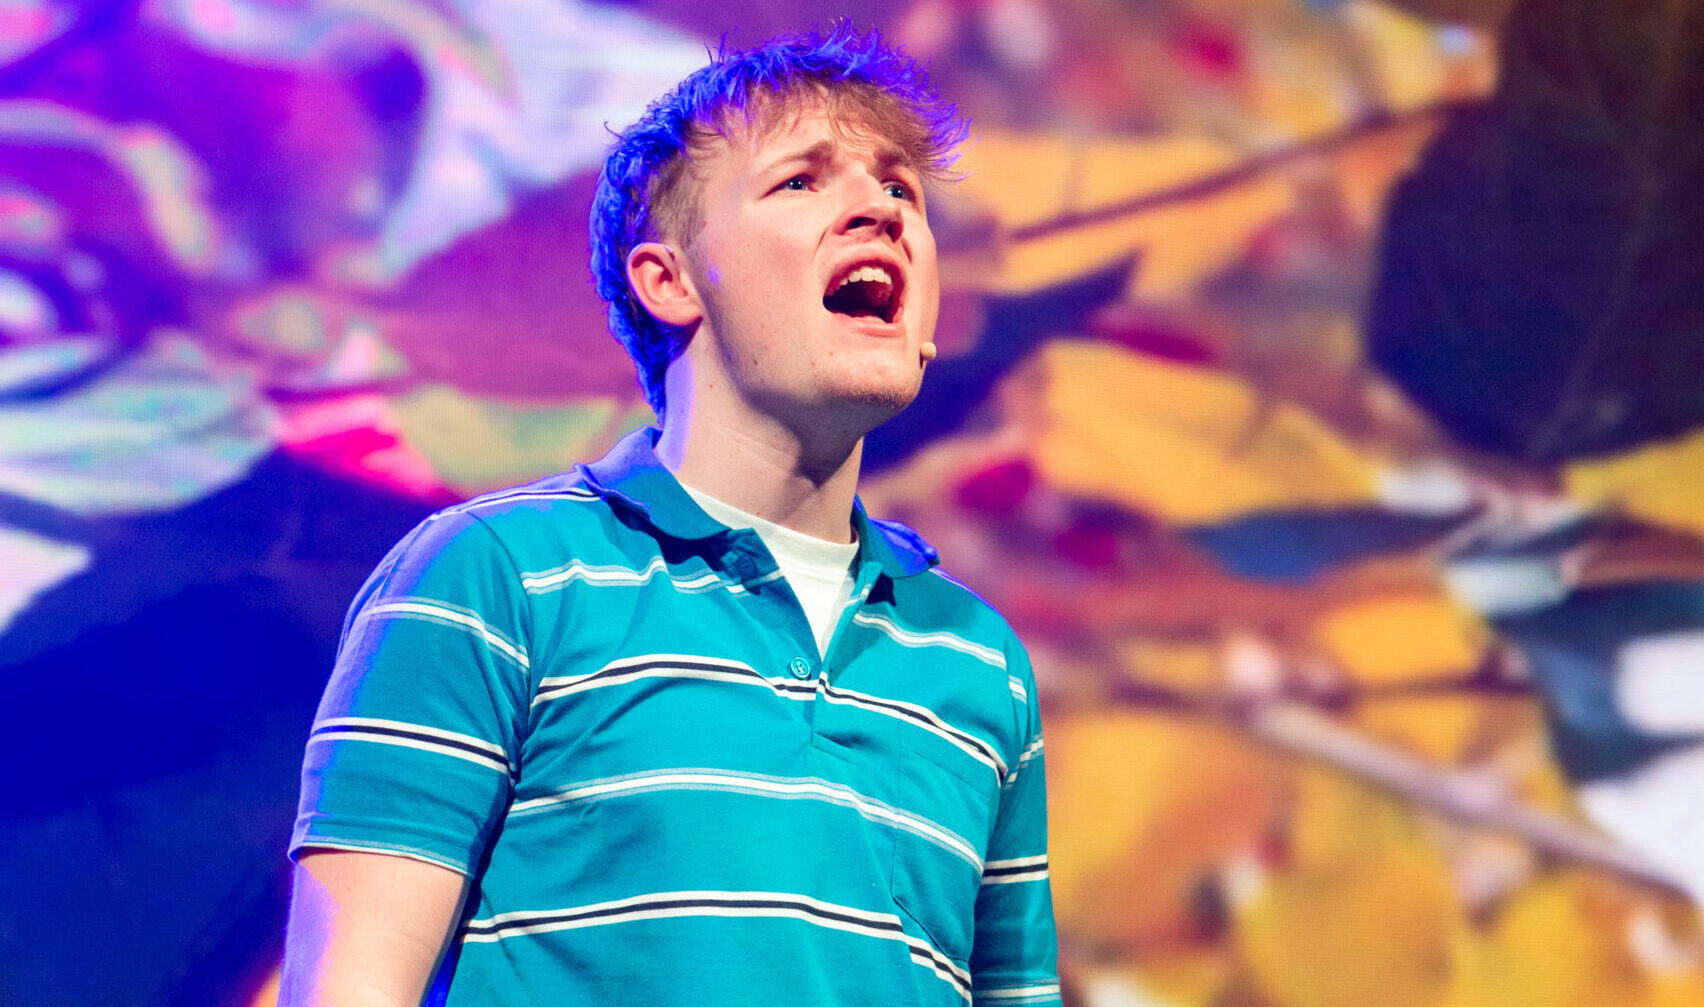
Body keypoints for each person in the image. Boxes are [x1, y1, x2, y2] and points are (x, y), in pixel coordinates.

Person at [281, 25, 1059, 1007]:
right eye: (802, 181)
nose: (882, 210)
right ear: (672, 280)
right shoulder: (495, 575)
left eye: (901, 187)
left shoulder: (978, 657)